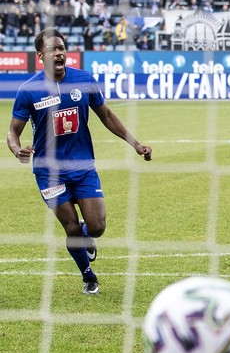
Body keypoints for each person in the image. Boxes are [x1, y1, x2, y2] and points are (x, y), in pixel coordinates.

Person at [7, 28, 152, 295]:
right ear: (41, 56)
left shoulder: (84, 80)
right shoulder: (29, 90)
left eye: (62, 48)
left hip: (83, 167)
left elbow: (106, 115)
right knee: (70, 226)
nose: (60, 53)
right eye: (53, 49)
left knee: (96, 227)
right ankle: (88, 276)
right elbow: (12, 131)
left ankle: (86, 234)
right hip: (49, 172)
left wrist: (136, 144)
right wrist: (17, 151)